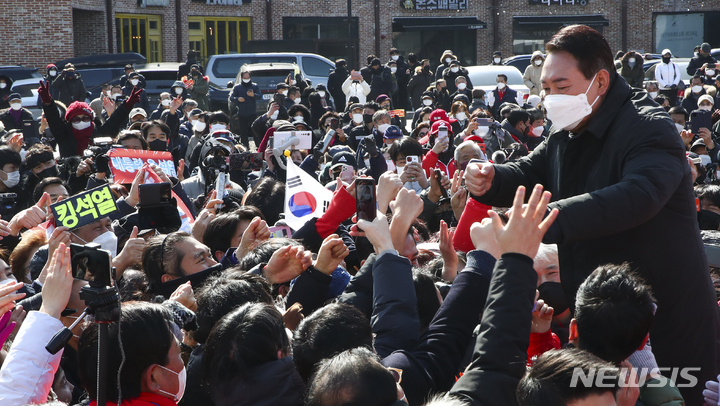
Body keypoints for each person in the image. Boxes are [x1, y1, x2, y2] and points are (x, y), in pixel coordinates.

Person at [463, 24, 719, 404]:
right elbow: (533, 170)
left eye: (561, 87)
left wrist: (546, 220)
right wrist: (490, 177)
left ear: (599, 81)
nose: (549, 99)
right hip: (597, 318)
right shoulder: (565, 128)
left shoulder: (649, 128)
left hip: (660, 317)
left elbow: (639, 195)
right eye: (545, 88)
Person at [229, 70, 261, 148]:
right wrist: (238, 99)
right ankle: (245, 147)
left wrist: (253, 95)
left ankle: (258, 147)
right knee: (243, 132)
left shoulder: (254, 86)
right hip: (242, 113)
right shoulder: (237, 87)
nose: (246, 79)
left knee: (255, 131)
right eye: (245, 77)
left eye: (248, 77)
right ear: (242, 78)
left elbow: (260, 96)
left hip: (252, 113)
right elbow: (231, 98)